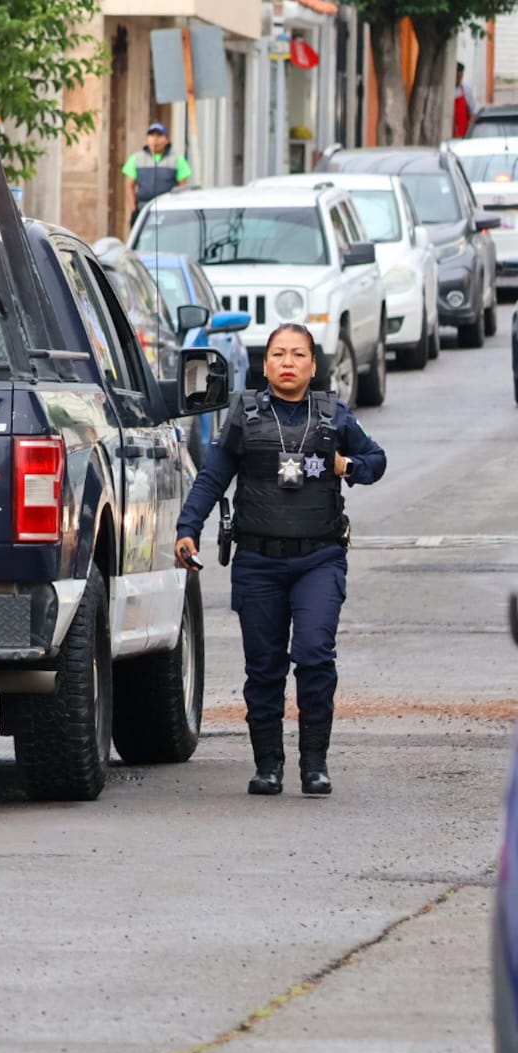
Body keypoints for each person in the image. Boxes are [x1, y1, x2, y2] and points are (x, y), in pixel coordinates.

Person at [173, 323, 386, 797]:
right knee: (264, 667)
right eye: (278, 354)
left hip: (319, 560)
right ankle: (267, 765)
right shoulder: (244, 415)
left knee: (313, 656)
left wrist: (346, 466)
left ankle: (315, 765)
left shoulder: (334, 416)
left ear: (314, 365)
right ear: (264, 364)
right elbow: (212, 478)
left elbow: (376, 460)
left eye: (298, 355)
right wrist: (188, 530)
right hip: (258, 561)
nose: (287, 363)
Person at [123, 122, 192, 226]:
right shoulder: (136, 158)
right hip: (144, 209)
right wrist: (134, 209)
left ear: (167, 139)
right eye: (151, 136)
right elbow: (129, 186)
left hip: (168, 209)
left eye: (159, 136)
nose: (155, 140)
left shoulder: (177, 159)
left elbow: (183, 187)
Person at [454, 62, 479, 138]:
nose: (459, 80)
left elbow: (473, 112)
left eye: (460, 77)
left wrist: (469, 132)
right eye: (457, 77)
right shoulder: (445, 89)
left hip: (463, 134)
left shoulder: (466, 89)